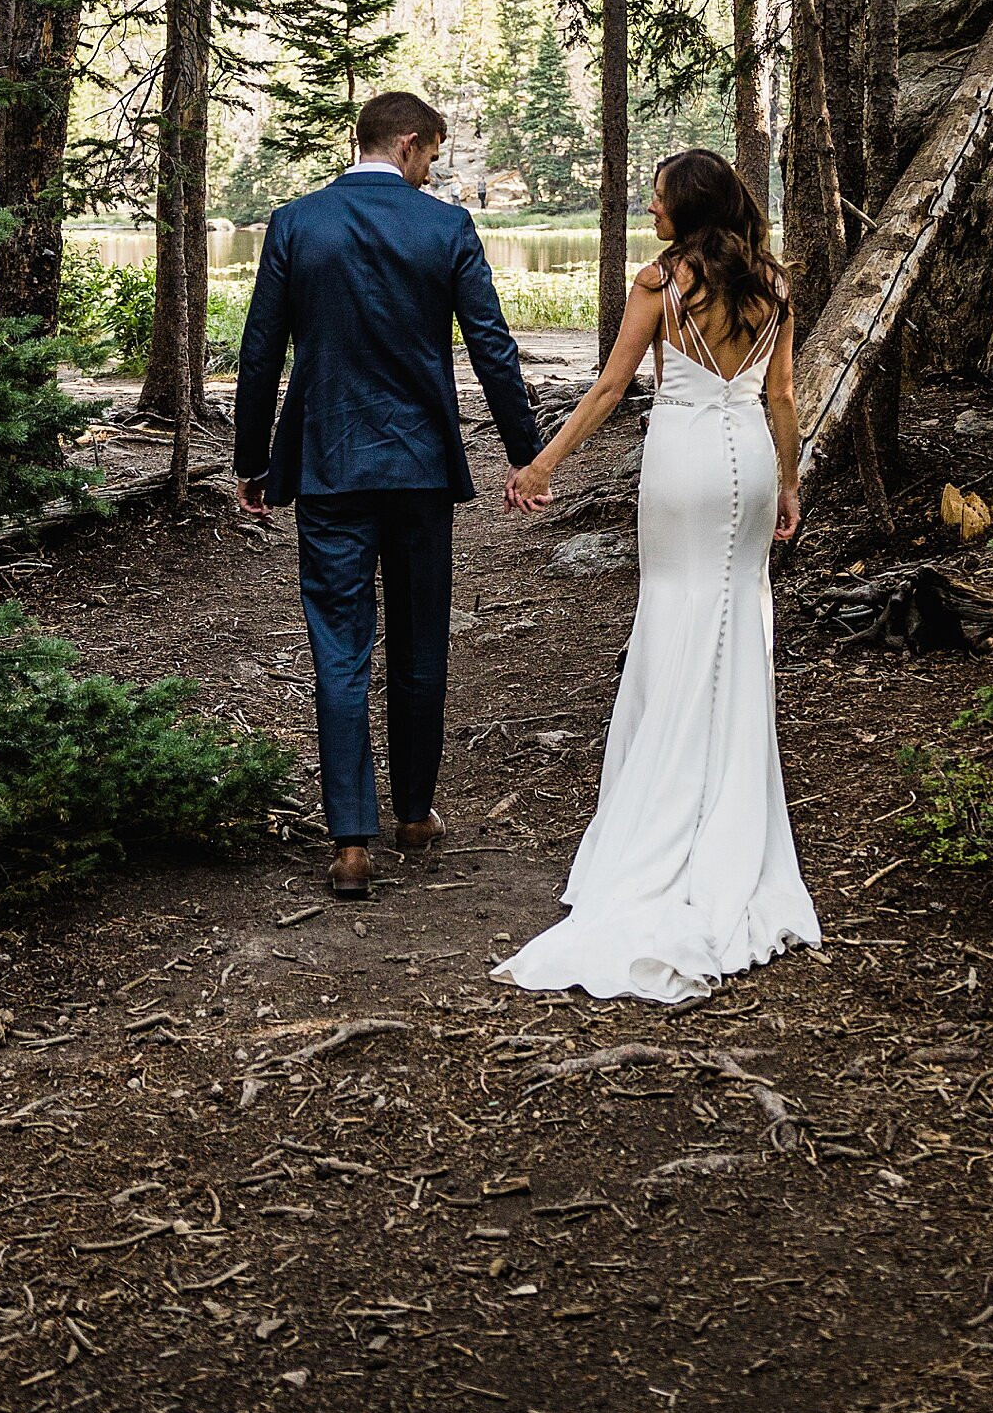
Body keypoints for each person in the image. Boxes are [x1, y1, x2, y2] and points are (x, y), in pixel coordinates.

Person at [498, 148, 821, 1003]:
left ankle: (662, 810)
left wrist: (541, 465)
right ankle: (726, 813)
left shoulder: (660, 285)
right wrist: (789, 480)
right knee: (736, 619)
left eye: (658, 200)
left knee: (676, 612)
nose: (649, 211)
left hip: (681, 458)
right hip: (748, 458)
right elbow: (783, 397)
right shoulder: (773, 286)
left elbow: (609, 388)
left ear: (689, 206)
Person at [233, 90, 542, 900]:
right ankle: (413, 813)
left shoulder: (297, 223)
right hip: (419, 470)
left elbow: (260, 348)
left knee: (339, 646)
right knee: (417, 642)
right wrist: (525, 454)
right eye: (432, 156)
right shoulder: (444, 228)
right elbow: (493, 349)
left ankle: (350, 842)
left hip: (331, 468)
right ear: (406, 145)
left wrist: (253, 459)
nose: (431, 170)